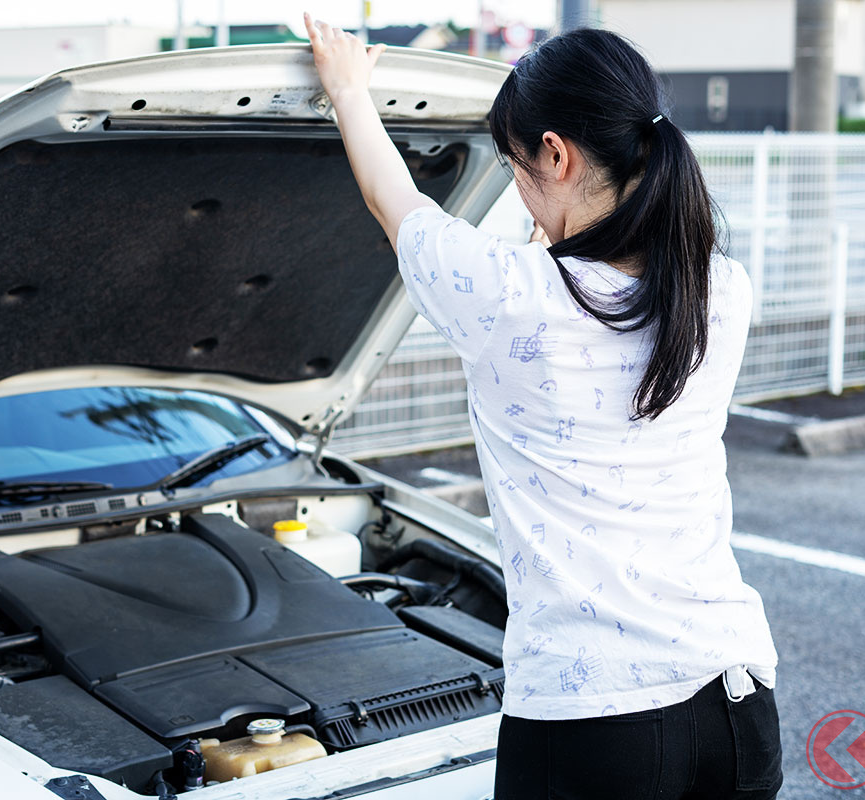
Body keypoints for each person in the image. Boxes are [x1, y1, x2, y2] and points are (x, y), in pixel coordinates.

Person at [303, 15, 782, 799]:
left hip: (594, 724)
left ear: (556, 154)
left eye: (514, 164)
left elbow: (395, 203)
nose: (518, 185)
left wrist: (349, 92)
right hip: (736, 705)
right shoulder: (721, 287)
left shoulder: (509, 294)